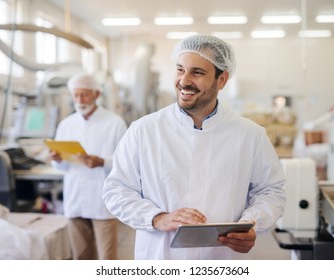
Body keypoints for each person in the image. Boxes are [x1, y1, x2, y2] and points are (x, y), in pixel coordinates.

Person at [102, 35, 286, 260]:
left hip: (222, 257)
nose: (184, 81)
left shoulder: (249, 134)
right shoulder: (144, 131)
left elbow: (271, 191)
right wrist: (157, 218)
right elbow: (116, 189)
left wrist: (250, 224)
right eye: (180, 70)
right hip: (160, 257)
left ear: (222, 80)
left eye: (197, 72)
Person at [49, 73, 127, 260]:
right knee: (81, 256)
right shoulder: (66, 124)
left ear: (96, 94)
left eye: (84, 95)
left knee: (107, 258)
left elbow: (127, 163)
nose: (79, 100)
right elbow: (60, 167)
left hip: (102, 200)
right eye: (76, 95)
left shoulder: (114, 123)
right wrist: (57, 159)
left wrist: (102, 162)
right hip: (75, 198)